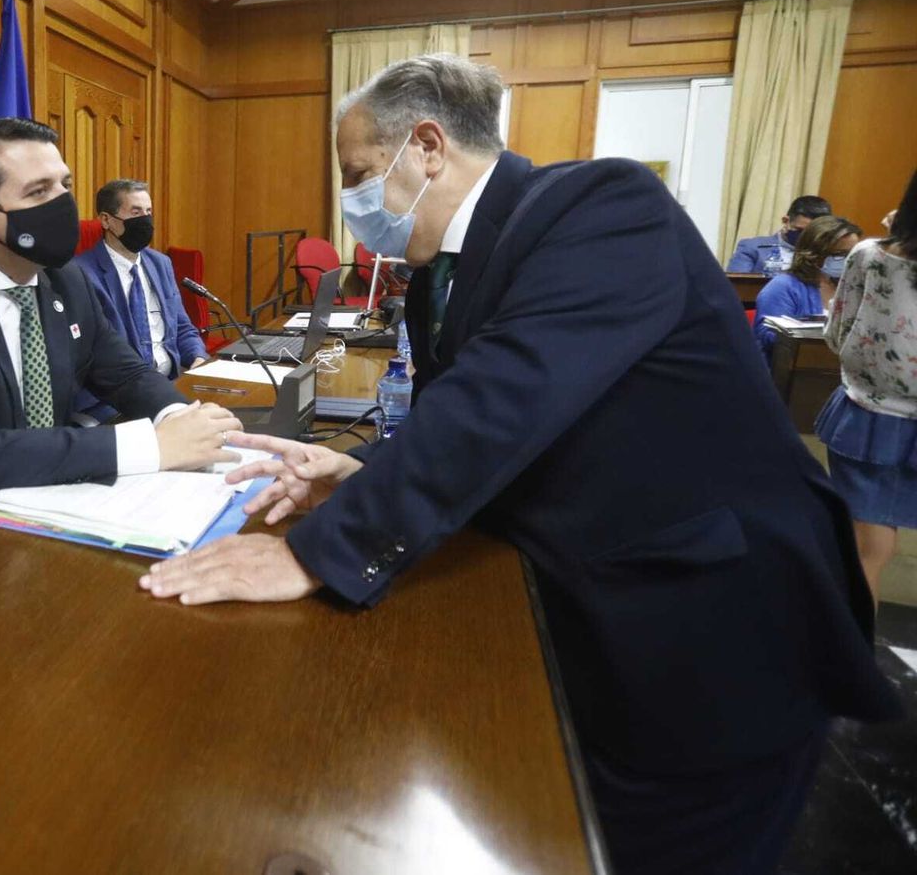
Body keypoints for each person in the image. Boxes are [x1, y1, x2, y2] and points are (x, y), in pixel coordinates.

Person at [138, 53, 898, 875]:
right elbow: (463, 415)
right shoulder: (441, 271)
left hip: (707, 627)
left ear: (427, 146)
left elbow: (506, 396)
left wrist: (307, 553)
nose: (354, 203)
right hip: (586, 615)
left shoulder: (601, 206)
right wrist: (359, 470)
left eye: (359, 175)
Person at [0, 117, 240, 528]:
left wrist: (178, 419)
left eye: (64, 185)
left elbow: (125, 374)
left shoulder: (66, 279)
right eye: (39, 191)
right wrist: (152, 446)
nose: (63, 203)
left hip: (43, 500)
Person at [816, 166, 917, 605]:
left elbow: (838, 334)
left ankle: (853, 660)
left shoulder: (869, 255)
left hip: (870, 418)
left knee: (866, 550)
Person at [72, 179, 208, 419]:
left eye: (148, 212)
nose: (145, 220)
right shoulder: (81, 275)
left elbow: (183, 327)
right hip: (118, 401)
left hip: (172, 385)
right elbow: (100, 360)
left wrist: (198, 359)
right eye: (136, 213)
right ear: (106, 220)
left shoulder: (160, 263)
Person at [752, 214, 862, 363]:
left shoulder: (852, 288)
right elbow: (769, 338)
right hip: (795, 371)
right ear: (814, 253)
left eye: (853, 254)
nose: (848, 260)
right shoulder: (783, 287)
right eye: (840, 254)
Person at [727, 195, 833, 276]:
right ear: (786, 221)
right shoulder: (753, 247)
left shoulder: (828, 253)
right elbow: (736, 288)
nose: (805, 237)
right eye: (800, 230)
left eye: (812, 233)